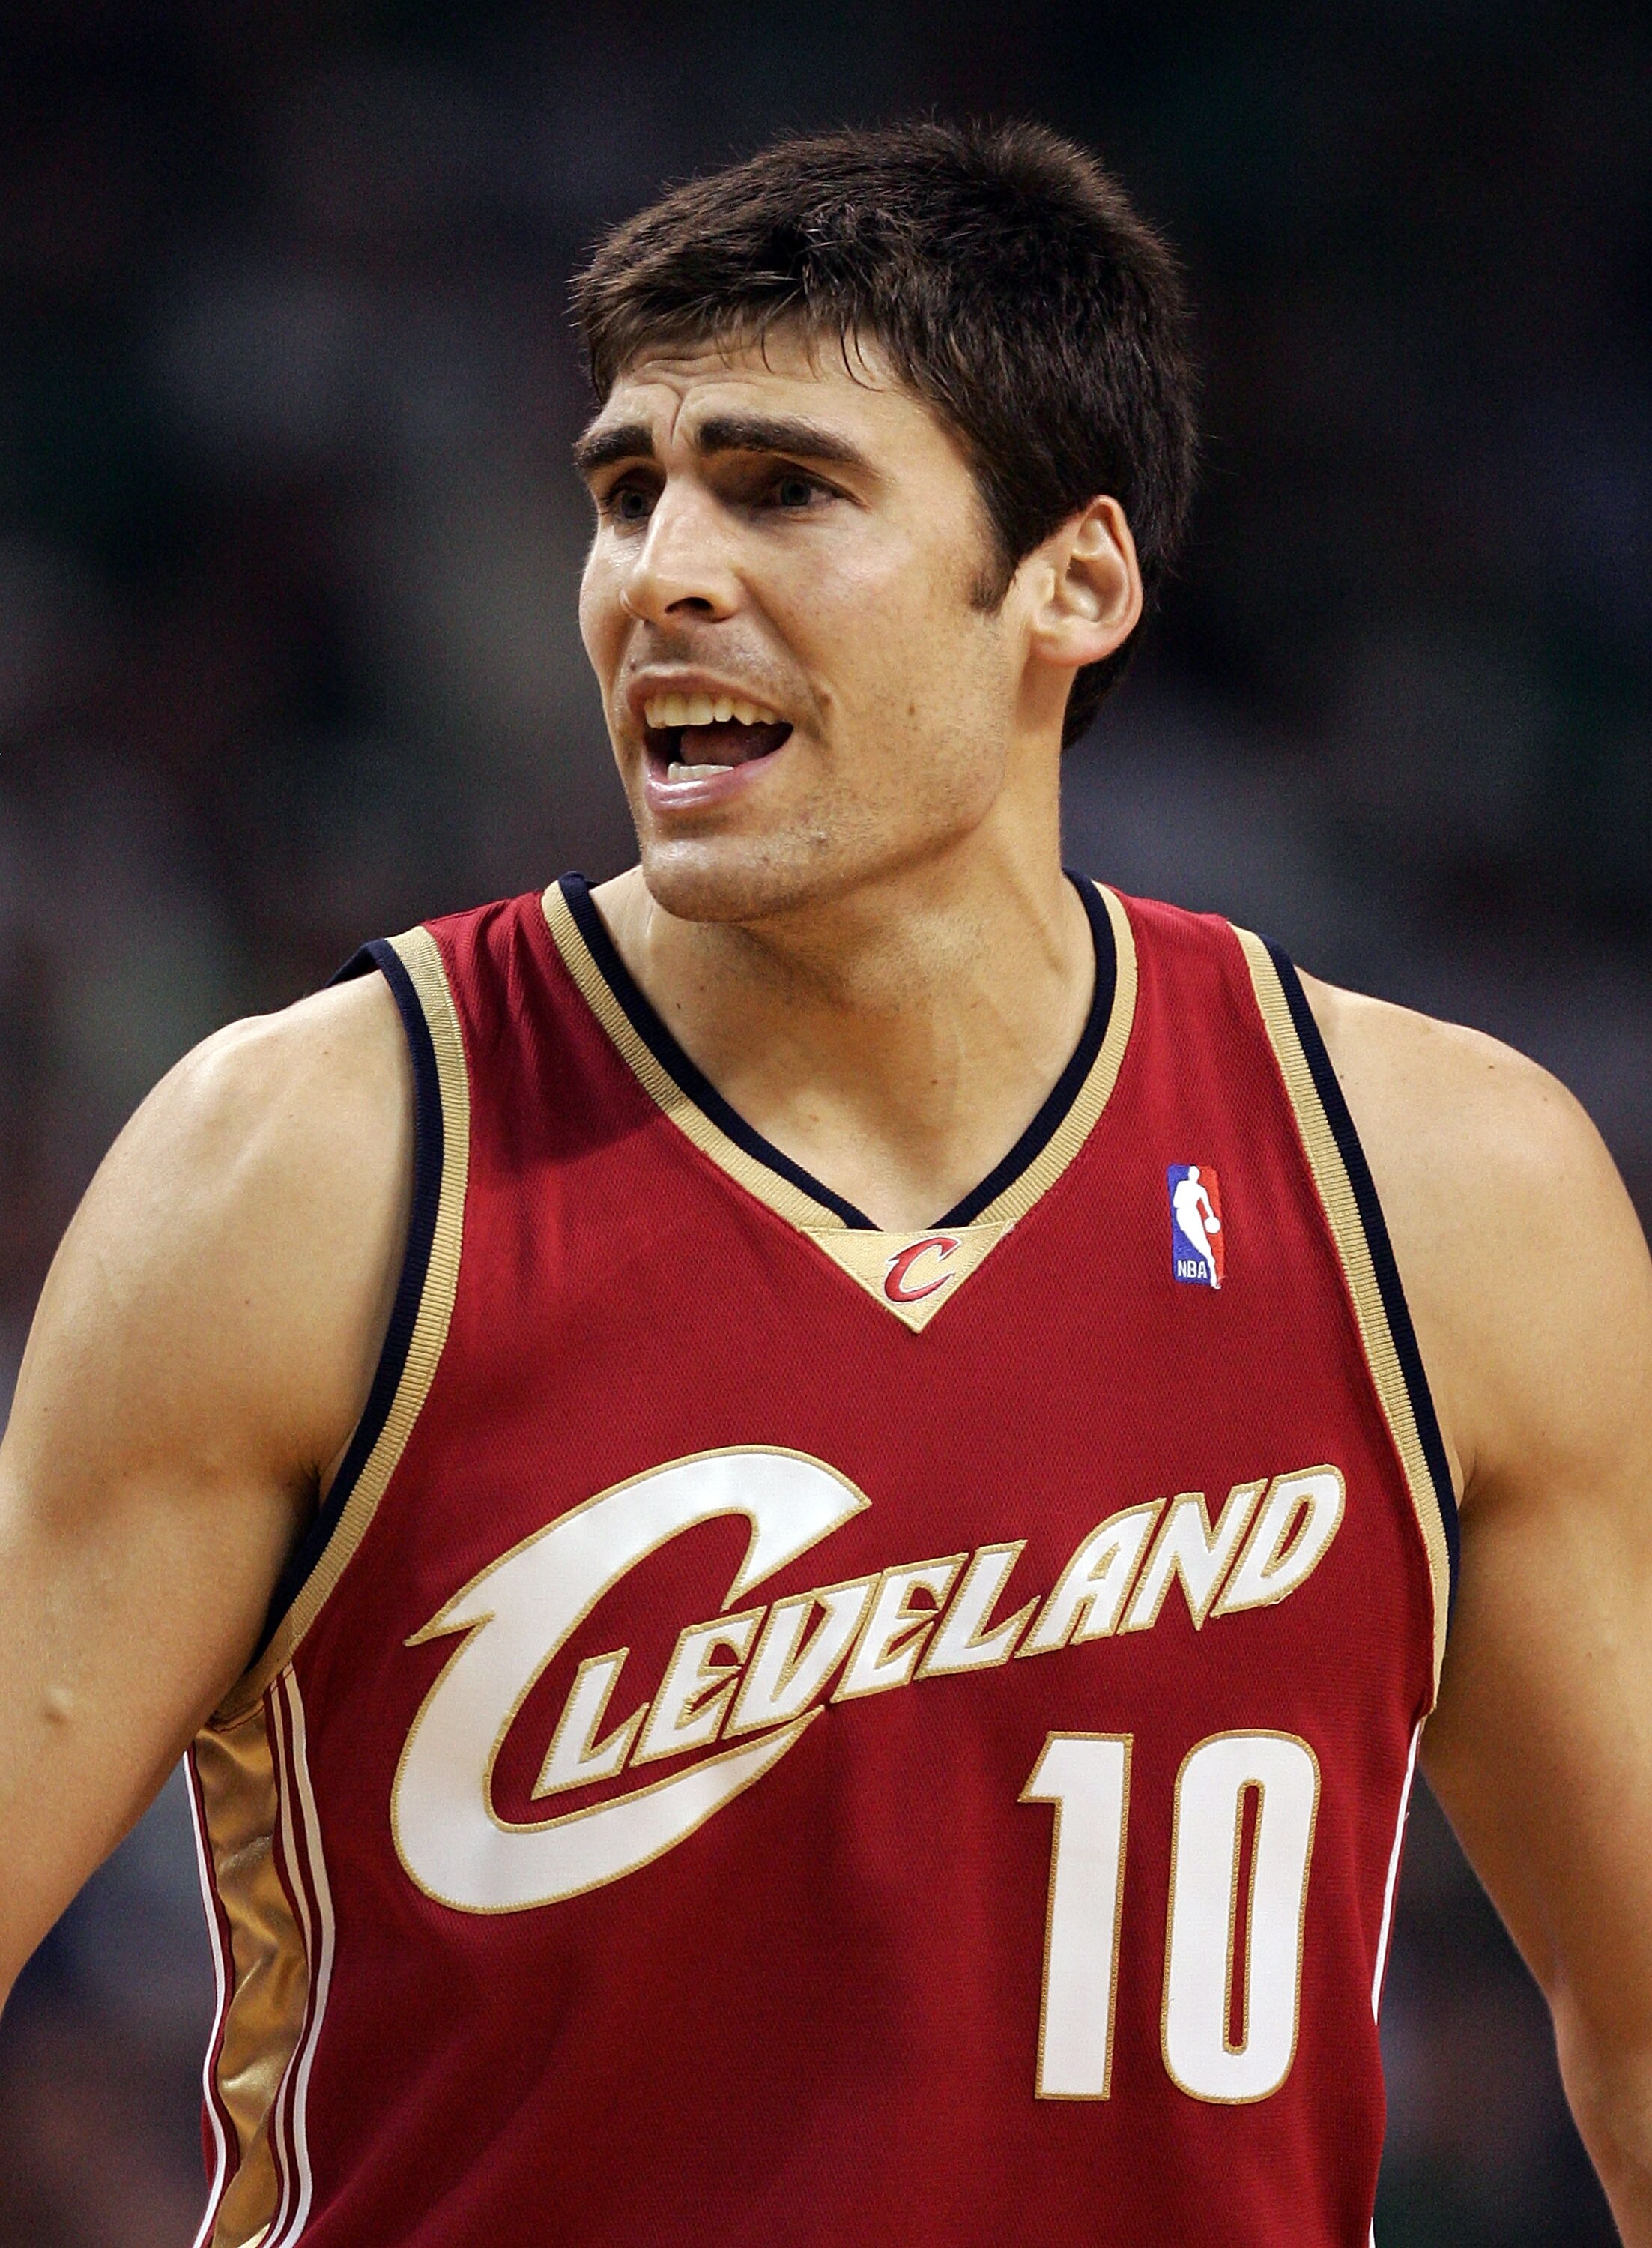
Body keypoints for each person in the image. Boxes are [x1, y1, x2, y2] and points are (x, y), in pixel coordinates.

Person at [1, 119, 1649, 2248]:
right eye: (627, 492)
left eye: (781, 487)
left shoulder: (1444, 1194)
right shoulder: (317, 1159)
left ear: (1075, 580)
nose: (661, 571)